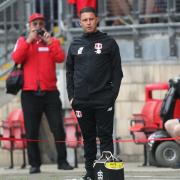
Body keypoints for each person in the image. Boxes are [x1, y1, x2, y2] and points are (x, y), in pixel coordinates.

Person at [11, 13, 73, 174]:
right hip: (29, 93)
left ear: (44, 25)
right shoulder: (23, 42)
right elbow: (17, 58)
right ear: (29, 25)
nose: (38, 26)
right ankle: (35, 164)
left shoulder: (52, 41)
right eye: (35, 23)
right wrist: (29, 40)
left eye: (40, 23)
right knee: (31, 130)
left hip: (50, 93)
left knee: (58, 128)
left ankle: (62, 161)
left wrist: (50, 42)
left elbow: (60, 58)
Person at [66, 7, 123, 180]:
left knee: (105, 136)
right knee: (88, 138)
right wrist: (71, 96)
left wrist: (111, 96)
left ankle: (107, 173)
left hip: (103, 99)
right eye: (85, 20)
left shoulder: (109, 42)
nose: (88, 23)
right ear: (80, 22)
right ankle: (90, 173)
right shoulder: (75, 44)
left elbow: (117, 72)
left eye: (91, 19)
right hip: (81, 101)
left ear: (97, 20)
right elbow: (69, 72)